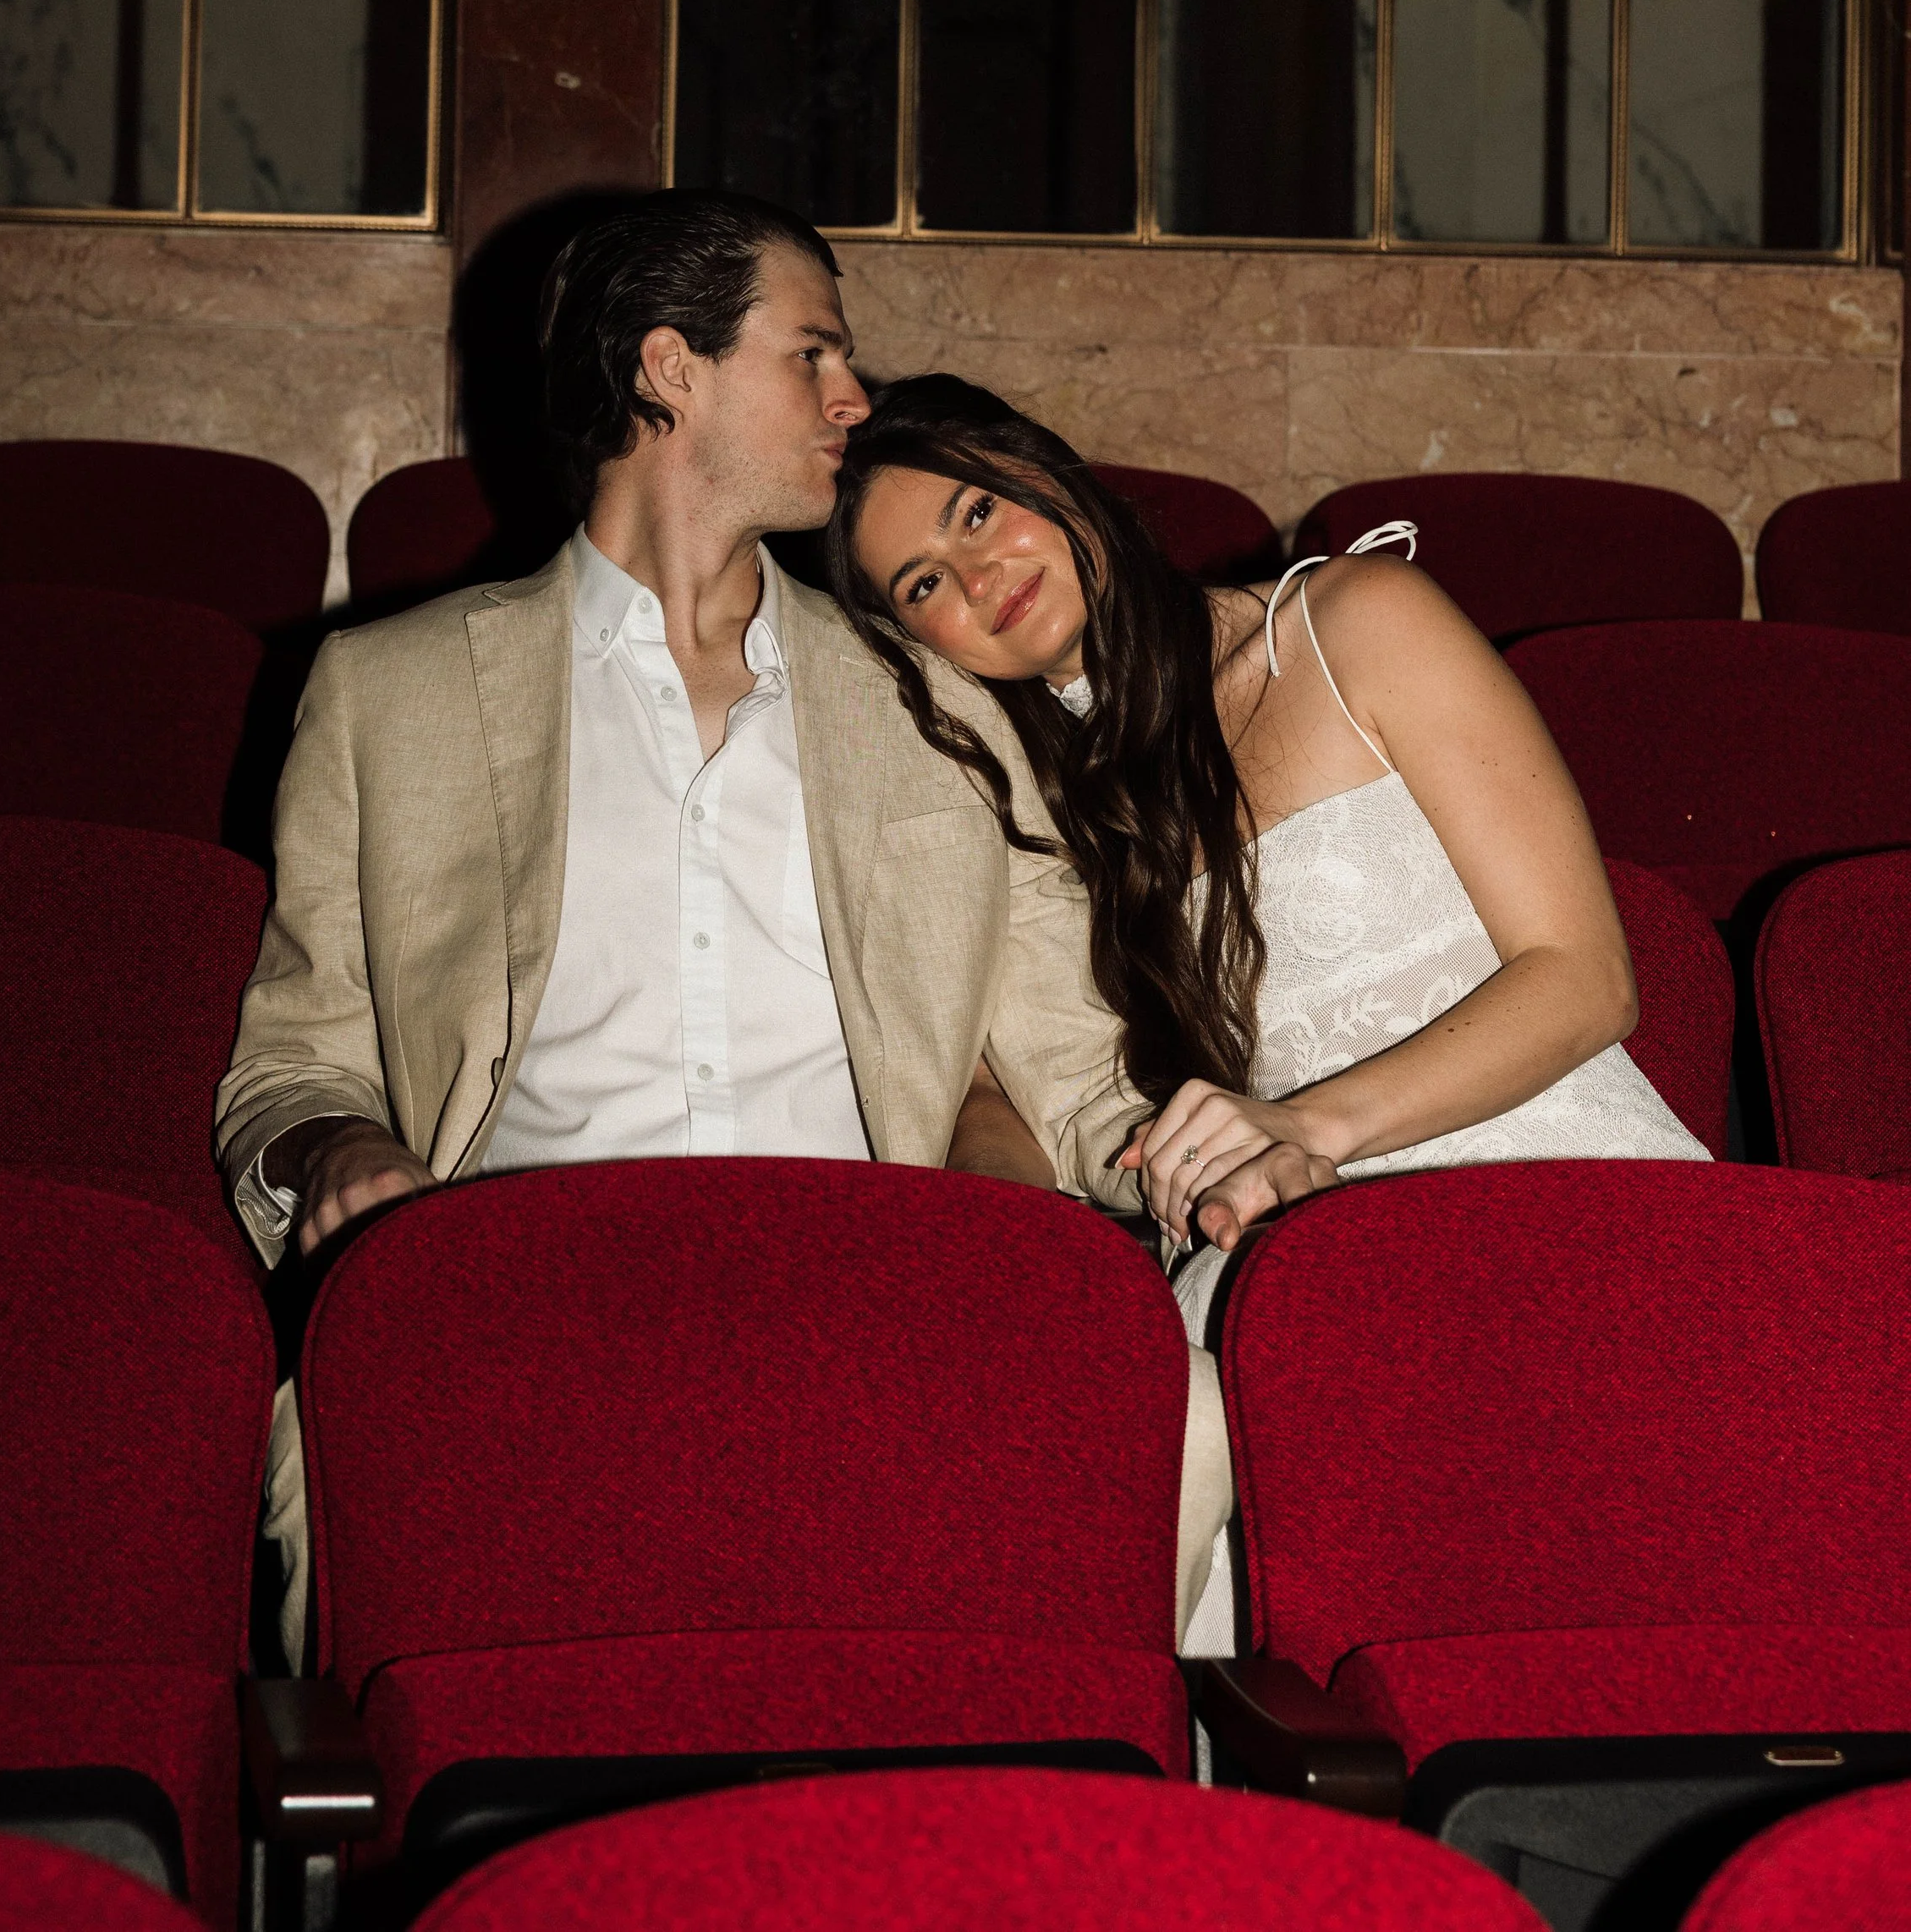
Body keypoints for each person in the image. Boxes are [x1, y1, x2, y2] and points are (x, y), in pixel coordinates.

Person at [216, 197, 1226, 1656]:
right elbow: (286, 1070)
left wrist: (1213, 1154)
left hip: (866, 1307)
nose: (855, 399)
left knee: (1165, 1405)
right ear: (669, 368)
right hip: (513, 1309)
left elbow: (1071, 1075)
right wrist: (342, 1148)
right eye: (812, 350)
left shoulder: (935, 708)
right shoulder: (388, 696)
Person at [826, 374, 1708, 1342]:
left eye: (980, 511)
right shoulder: (1024, 820)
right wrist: (992, 1252)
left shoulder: (1353, 620)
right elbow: (1001, 1092)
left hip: (1556, 1186)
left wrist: (1310, 1125)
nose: (979, 577)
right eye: (923, 584)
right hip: (1287, 1255)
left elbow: (1585, 981)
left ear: (1050, 474)